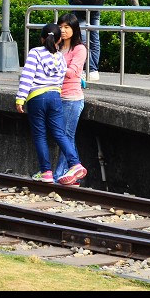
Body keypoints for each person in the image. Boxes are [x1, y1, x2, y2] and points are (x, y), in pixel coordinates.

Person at [15, 23, 87, 185]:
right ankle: (75, 163)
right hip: (55, 97)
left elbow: (27, 77)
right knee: (60, 133)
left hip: (37, 97)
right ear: (59, 40)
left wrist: (20, 98)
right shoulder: (60, 57)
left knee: (40, 135)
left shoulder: (35, 53)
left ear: (42, 38)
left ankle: (46, 172)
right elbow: (61, 77)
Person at [54, 13, 87, 186]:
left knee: (65, 136)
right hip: (56, 97)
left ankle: (59, 174)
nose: (63, 30)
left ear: (74, 29)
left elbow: (73, 73)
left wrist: (54, 66)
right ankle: (74, 171)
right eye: (61, 27)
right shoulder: (57, 47)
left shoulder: (79, 49)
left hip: (72, 98)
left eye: (67, 27)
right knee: (67, 137)